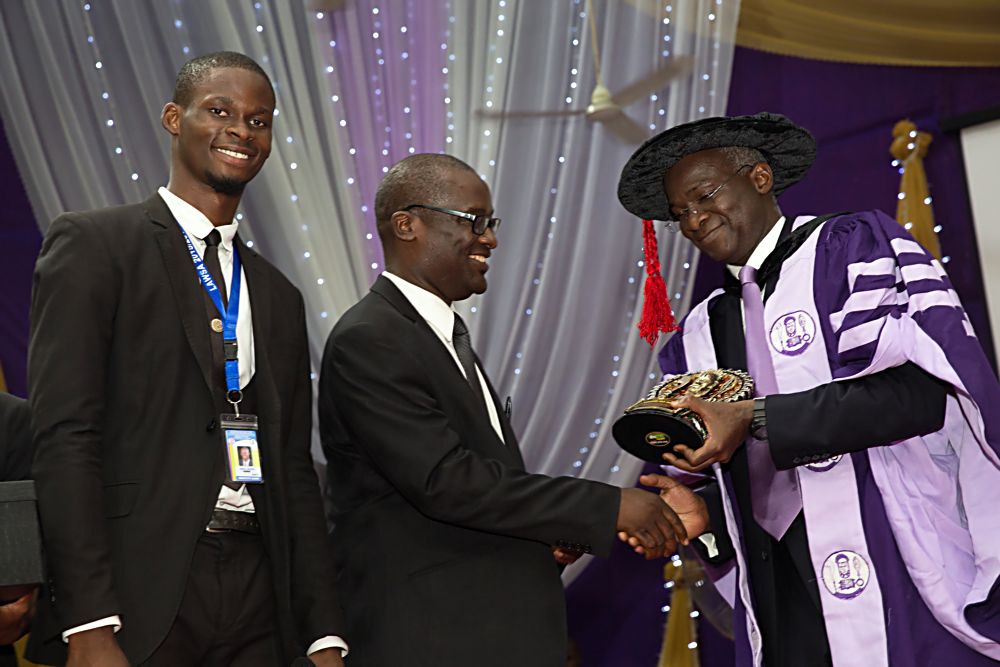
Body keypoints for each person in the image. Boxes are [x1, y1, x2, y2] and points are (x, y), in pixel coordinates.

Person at [616, 112, 1000, 666]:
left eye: (705, 196)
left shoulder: (853, 249)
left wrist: (757, 416)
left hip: (895, 550)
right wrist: (706, 519)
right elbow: (729, 474)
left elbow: (918, 396)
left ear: (760, 177)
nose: (696, 220)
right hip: (778, 585)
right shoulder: (698, 335)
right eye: (682, 214)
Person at [27, 52, 345, 666]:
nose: (241, 131)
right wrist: (89, 621)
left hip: (261, 594)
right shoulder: (95, 245)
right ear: (175, 118)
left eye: (259, 120)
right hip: (139, 592)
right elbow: (66, 436)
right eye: (219, 111)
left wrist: (322, 633)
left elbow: (293, 470)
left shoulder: (278, 293)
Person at [319, 153, 693, 667]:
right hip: (432, 639)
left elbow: (477, 491)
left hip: (483, 632)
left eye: (490, 222)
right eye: (473, 221)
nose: (489, 238)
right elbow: (446, 482)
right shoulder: (371, 339)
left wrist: (544, 534)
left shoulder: (438, 337)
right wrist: (607, 508)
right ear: (407, 224)